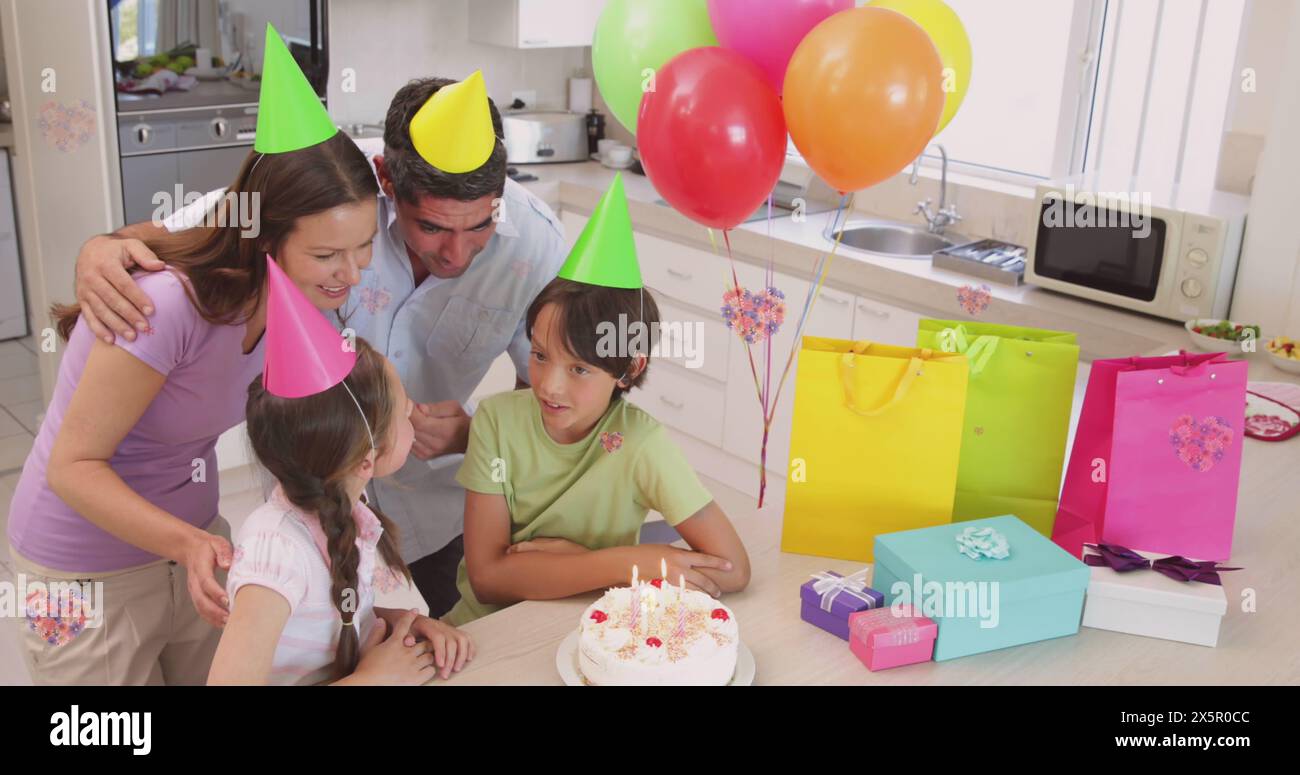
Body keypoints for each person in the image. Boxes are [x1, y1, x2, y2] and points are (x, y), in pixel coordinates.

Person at [72, 71, 568, 618]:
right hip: (317, 496)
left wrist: (477, 433)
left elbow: (555, 395)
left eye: (479, 229)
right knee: (319, 637)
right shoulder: (330, 199)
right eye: (429, 227)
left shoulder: (536, 242)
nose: (455, 255)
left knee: (489, 641)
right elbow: (190, 235)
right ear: (386, 179)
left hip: (442, 498)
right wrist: (99, 247)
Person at [6, 25, 381, 684]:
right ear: (264, 238)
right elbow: (72, 465)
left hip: (192, 544)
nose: (349, 275)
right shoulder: (166, 307)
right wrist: (185, 541)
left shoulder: (298, 301)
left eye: (363, 247)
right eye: (326, 255)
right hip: (75, 566)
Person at [446, 176, 751, 625]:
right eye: (539, 355)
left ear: (628, 369)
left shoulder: (641, 446)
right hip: (485, 633)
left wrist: (577, 563)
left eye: (579, 369)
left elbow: (734, 568)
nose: (548, 385)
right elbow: (489, 579)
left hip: (585, 631)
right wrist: (626, 564)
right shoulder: (496, 421)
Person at [209, 260, 471, 685]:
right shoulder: (276, 551)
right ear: (367, 459)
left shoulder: (343, 509)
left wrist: (397, 621)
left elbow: (320, 627)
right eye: (404, 413)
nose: (414, 415)